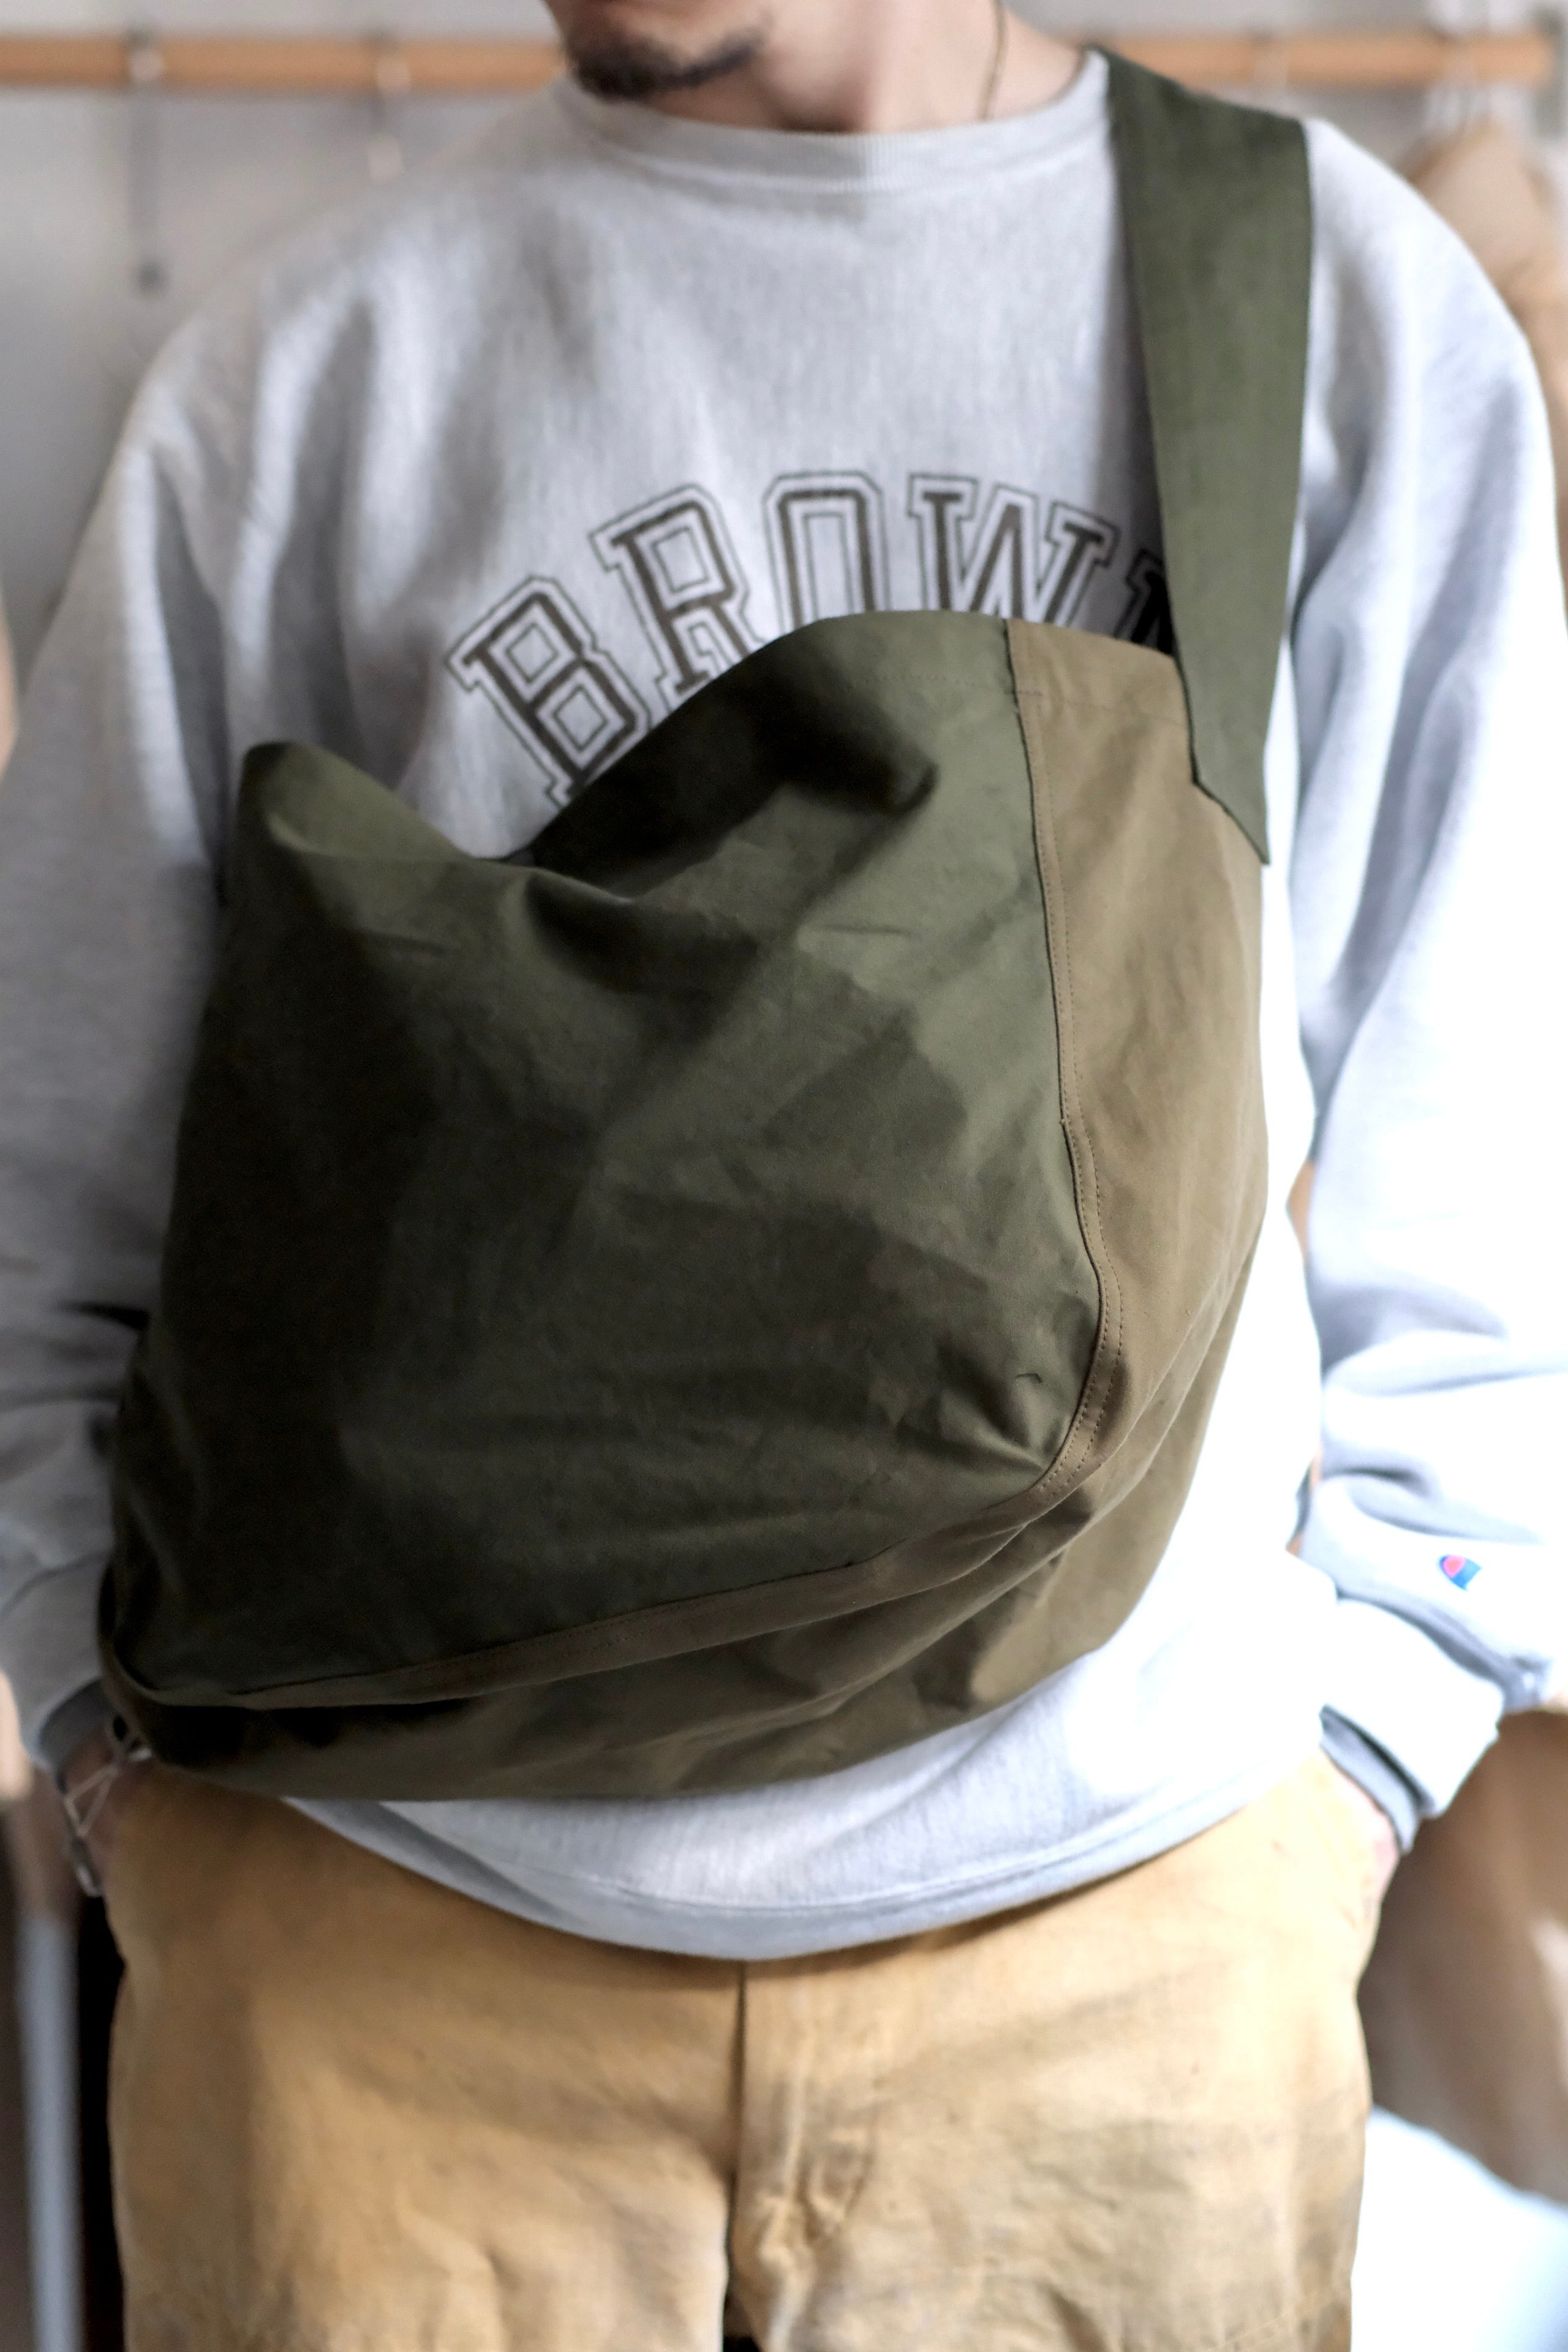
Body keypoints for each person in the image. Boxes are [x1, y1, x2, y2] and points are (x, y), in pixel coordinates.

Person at [0, 2, 1564, 2344]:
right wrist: (109, 1753)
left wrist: (1368, 1754)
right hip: (379, 1970)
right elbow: (59, 1173)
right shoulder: (304, 374)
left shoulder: (1317, 297)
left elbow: (1485, 1106)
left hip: (1122, 1966)